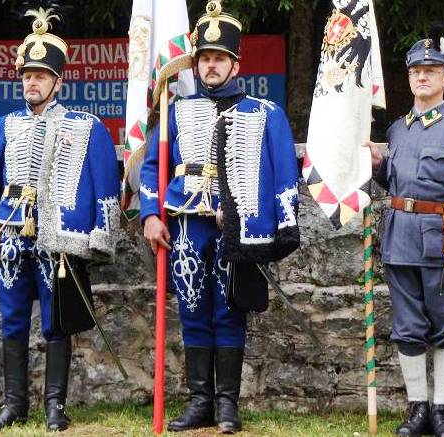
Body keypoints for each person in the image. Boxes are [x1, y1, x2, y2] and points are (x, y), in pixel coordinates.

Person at [140, 1, 300, 433]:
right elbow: (153, 167)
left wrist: (284, 227)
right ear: (196, 63)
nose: (211, 66)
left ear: (235, 64)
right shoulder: (174, 112)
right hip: (187, 224)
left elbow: (286, 170)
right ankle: (200, 403)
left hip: (239, 226)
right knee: (193, 309)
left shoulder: (266, 114)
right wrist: (150, 217)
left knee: (230, 309)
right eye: (205, 59)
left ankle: (228, 404)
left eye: (219, 59)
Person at [0, 8, 120, 432]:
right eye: (26, 75)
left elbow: (104, 183)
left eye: (40, 76)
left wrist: (99, 237)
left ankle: (55, 405)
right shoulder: (6, 124)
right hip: (12, 237)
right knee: (12, 320)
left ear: (59, 81)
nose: (31, 82)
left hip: (59, 242)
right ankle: (14, 405)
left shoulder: (86, 125)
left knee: (57, 322)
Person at [365, 32, 444, 437]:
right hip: (399, 241)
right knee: (407, 326)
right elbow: (395, 186)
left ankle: (442, 410)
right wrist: (379, 164)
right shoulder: (398, 130)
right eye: (417, 71)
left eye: (431, 70)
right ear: (409, 77)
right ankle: (417, 408)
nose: (422, 76)